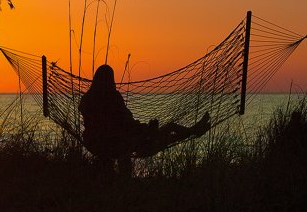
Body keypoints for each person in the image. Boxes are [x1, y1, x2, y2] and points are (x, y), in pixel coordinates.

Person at [78, 64, 210, 170]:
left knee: (162, 137)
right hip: (122, 142)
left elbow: (107, 122)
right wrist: (144, 128)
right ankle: (193, 131)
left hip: (97, 143)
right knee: (168, 129)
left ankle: (194, 130)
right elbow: (125, 121)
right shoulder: (113, 97)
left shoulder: (87, 99)